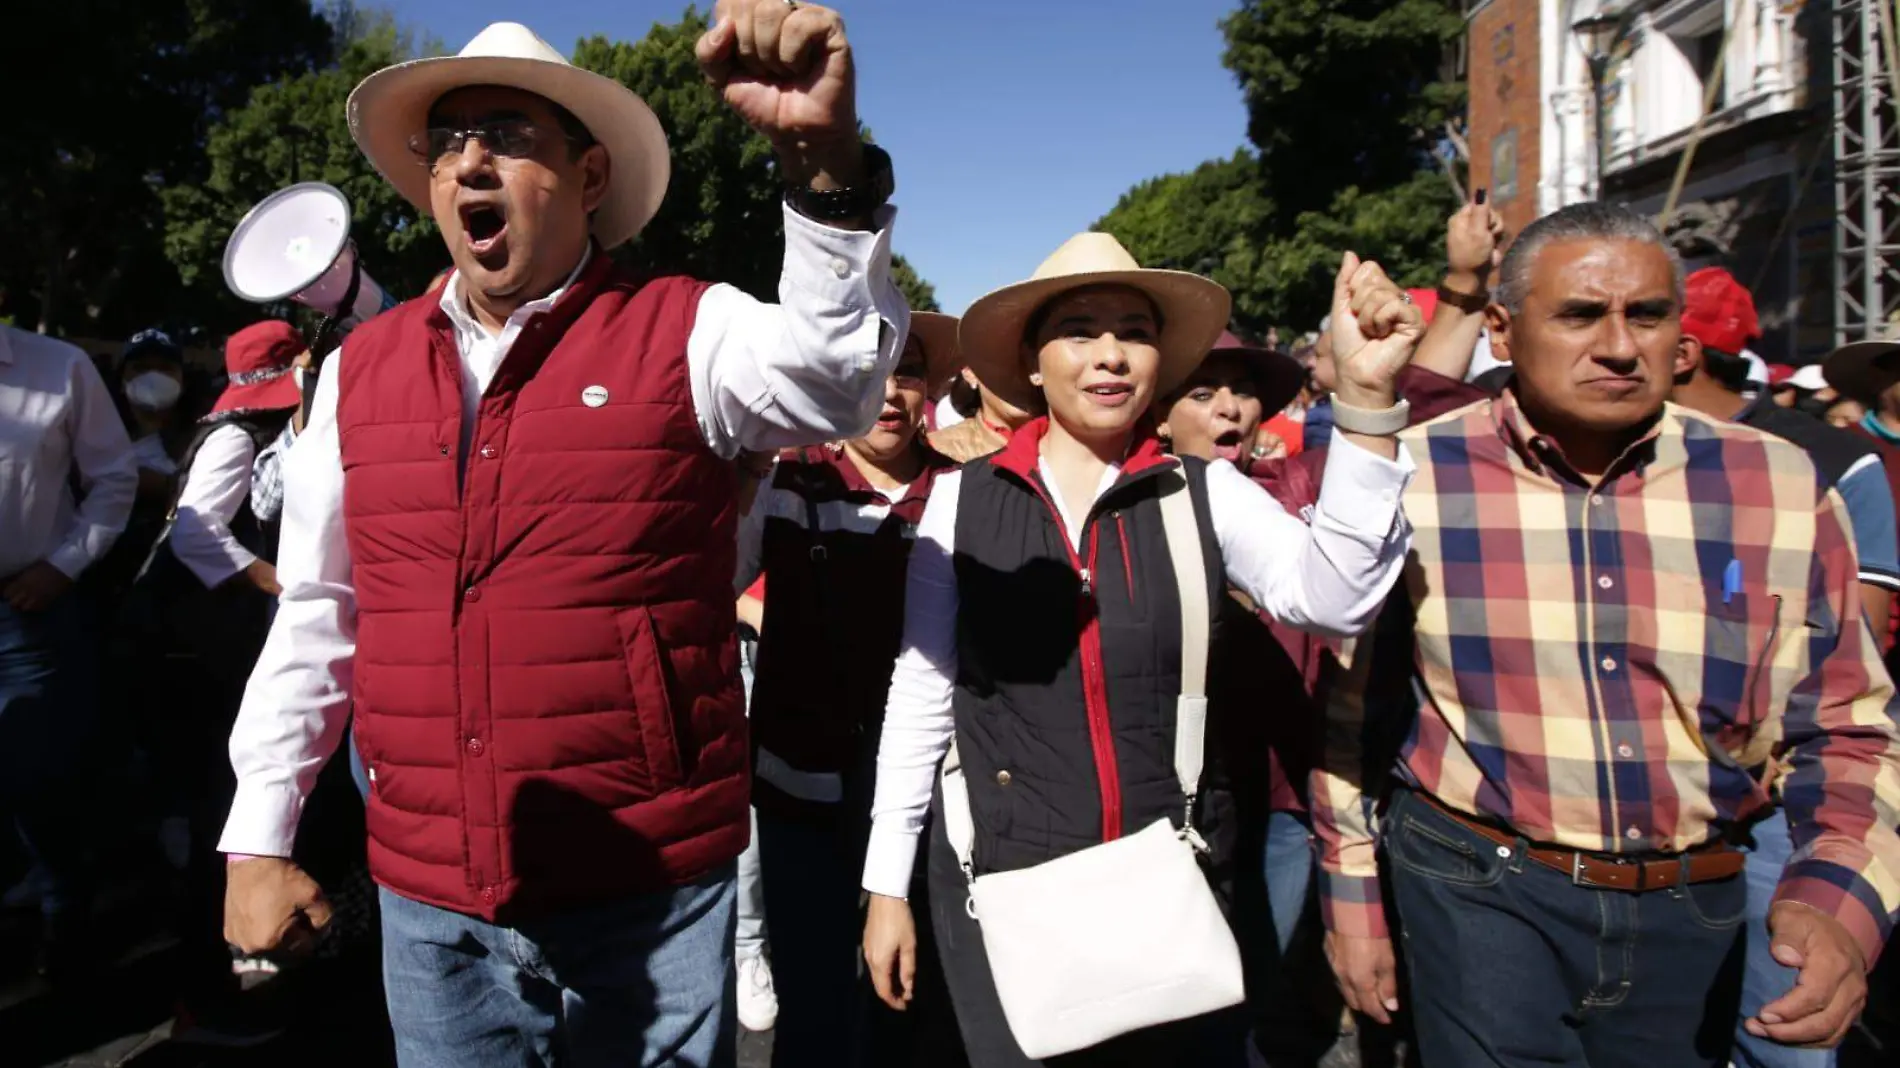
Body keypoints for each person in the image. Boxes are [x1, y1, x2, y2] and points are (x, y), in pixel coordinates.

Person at [217, 6, 910, 1064]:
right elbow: (320, 612)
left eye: (505, 132)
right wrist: (256, 837)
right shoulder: (362, 368)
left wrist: (821, 161)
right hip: (425, 894)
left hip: (647, 885)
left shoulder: (688, 326)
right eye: (447, 141)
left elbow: (838, 381)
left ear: (590, 178)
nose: (469, 159)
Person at [1318, 203, 1900, 1068]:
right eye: (1582, 315)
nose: (1620, 344)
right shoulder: (1411, 478)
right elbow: (1351, 714)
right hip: (1479, 888)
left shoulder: (1773, 483)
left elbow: (1848, 722)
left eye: (1649, 315)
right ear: (1505, 333)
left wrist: (1838, 901)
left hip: (1698, 900)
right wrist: (1356, 894)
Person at [861, 232, 1421, 1066]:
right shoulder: (959, 504)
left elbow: (1335, 596)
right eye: (1081, 330)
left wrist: (1368, 402)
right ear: (1033, 362)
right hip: (1003, 885)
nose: (1112, 355)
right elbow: (922, 693)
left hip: (1174, 883)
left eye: (1135, 330)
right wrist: (884, 884)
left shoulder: (1209, 494)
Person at [1673, 267, 1900, 1068]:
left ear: (1683, 350)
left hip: (1781, 799)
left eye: (1640, 319)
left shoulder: (1829, 460)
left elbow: (1853, 646)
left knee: (1783, 1032)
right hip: (1643, 817)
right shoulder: (1618, 453)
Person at [736, 315, 959, 1065]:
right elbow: (716, 581)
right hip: (800, 790)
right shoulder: (786, 479)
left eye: (908, 370)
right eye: (872, 368)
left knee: (912, 995)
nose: (890, 391)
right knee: (814, 1003)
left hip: (928, 804)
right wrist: (742, 477)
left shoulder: (963, 492)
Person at [0, 324, 138, 976]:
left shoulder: (61, 366)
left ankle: (65, 913)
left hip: (29, 611)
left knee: (39, 778)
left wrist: (65, 564)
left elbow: (114, 478)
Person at [928, 356, 1044, 463]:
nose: (1023, 376)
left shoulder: (1059, 442)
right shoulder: (938, 452)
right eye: (1006, 361)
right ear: (970, 372)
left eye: (1032, 359)